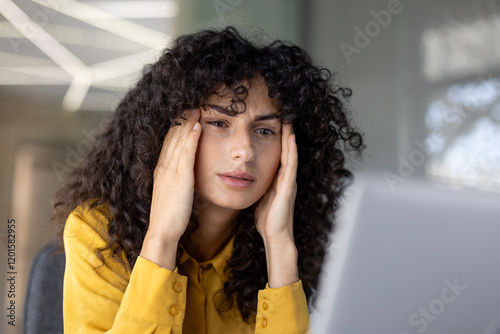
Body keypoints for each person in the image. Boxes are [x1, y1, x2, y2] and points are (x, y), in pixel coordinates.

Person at [52, 26, 363, 333]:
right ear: (167, 134)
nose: (245, 152)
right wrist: (161, 238)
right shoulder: (96, 232)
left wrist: (280, 247)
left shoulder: (295, 245)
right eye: (218, 122)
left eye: (265, 131)